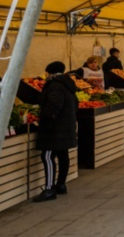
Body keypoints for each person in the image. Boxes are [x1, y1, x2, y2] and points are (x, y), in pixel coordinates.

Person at [33, 61, 78, 202]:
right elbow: (75, 104)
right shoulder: (68, 84)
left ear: (49, 72)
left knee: (47, 156)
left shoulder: (56, 85)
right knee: (63, 154)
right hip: (65, 125)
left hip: (54, 128)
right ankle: (61, 184)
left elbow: (54, 105)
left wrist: (45, 120)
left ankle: (49, 189)